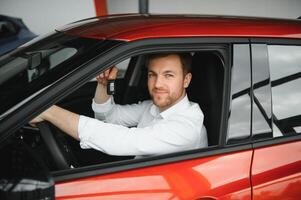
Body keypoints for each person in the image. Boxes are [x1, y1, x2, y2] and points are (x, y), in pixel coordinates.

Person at [31, 53, 208, 158]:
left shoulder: (186, 126)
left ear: (186, 80)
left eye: (168, 75)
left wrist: (49, 111)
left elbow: (124, 140)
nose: (157, 84)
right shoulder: (152, 107)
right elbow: (109, 117)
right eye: (152, 75)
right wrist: (104, 85)